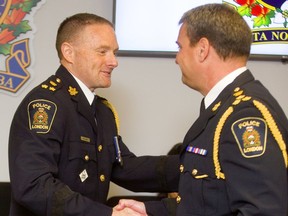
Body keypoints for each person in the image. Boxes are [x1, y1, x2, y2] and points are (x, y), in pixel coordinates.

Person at [116, 3, 288, 215]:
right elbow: (211, 200)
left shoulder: (244, 115)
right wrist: (151, 210)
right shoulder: (225, 107)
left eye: (180, 47)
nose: (177, 58)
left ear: (202, 49)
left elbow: (262, 212)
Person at [8, 13, 179, 216]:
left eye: (114, 52)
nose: (113, 61)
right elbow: (33, 186)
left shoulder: (102, 111)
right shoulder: (46, 105)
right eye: (102, 51)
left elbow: (124, 167)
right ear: (69, 53)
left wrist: (191, 166)